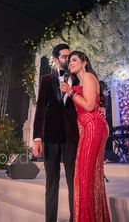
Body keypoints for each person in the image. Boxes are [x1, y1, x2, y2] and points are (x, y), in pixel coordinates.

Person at [60, 51, 110, 222]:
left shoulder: (87, 76)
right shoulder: (81, 81)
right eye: (69, 61)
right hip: (88, 128)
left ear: (84, 62)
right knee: (86, 177)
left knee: (85, 178)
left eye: (74, 60)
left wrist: (70, 92)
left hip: (93, 127)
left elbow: (88, 106)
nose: (71, 63)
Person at [33, 43, 79, 222]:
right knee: (51, 183)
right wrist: (37, 138)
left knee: (72, 182)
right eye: (64, 56)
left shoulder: (77, 78)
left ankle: (74, 219)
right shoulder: (46, 79)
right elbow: (40, 110)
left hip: (71, 137)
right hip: (50, 137)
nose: (68, 59)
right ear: (56, 59)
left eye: (70, 56)